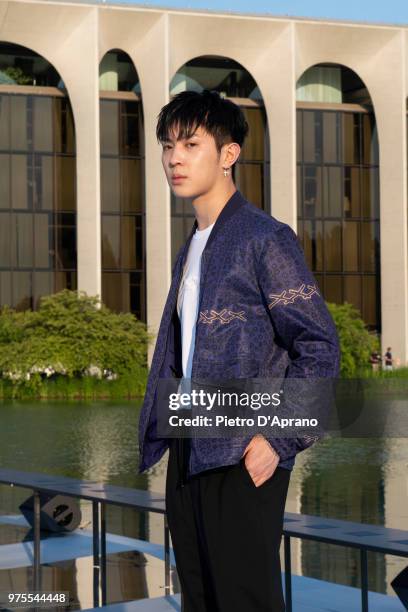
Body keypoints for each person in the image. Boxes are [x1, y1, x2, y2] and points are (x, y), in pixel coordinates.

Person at [138, 90, 340, 612]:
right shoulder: (194, 244)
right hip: (189, 444)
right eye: (167, 145)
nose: (174, 158)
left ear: (228, 154)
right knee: (200, 601)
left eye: (189, 143)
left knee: (244, 601)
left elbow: (318, 345)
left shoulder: (265, 239)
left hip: (243, 451)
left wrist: (277, 439)